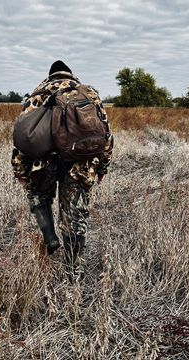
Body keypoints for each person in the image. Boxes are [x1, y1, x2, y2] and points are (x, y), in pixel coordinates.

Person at [11, 60, 113, 281]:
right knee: (75, 217)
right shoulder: (89, 93)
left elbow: (21, 139)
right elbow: (106, 133)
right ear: (71, 75)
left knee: (39, 196)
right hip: (79, 164)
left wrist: (20, 172)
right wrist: (103, 166)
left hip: (43, 163)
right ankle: (73, 270)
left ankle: (50, 238)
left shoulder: (36, 96)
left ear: (50, 76)